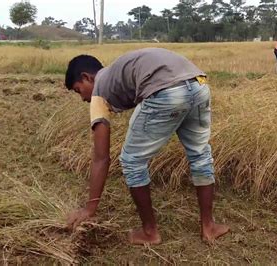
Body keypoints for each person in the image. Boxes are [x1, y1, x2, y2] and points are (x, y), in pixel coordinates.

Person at [64, 48, 230, 245]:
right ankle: (209, 227)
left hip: (166, 91)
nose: (83, 98)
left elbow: (101, 156)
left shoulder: (99, 88)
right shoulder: (119, 70)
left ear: (87, 77)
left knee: (131, 160)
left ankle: (150, 233)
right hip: (199, 85)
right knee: (200, 154)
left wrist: (89, 209)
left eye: (78, 90)